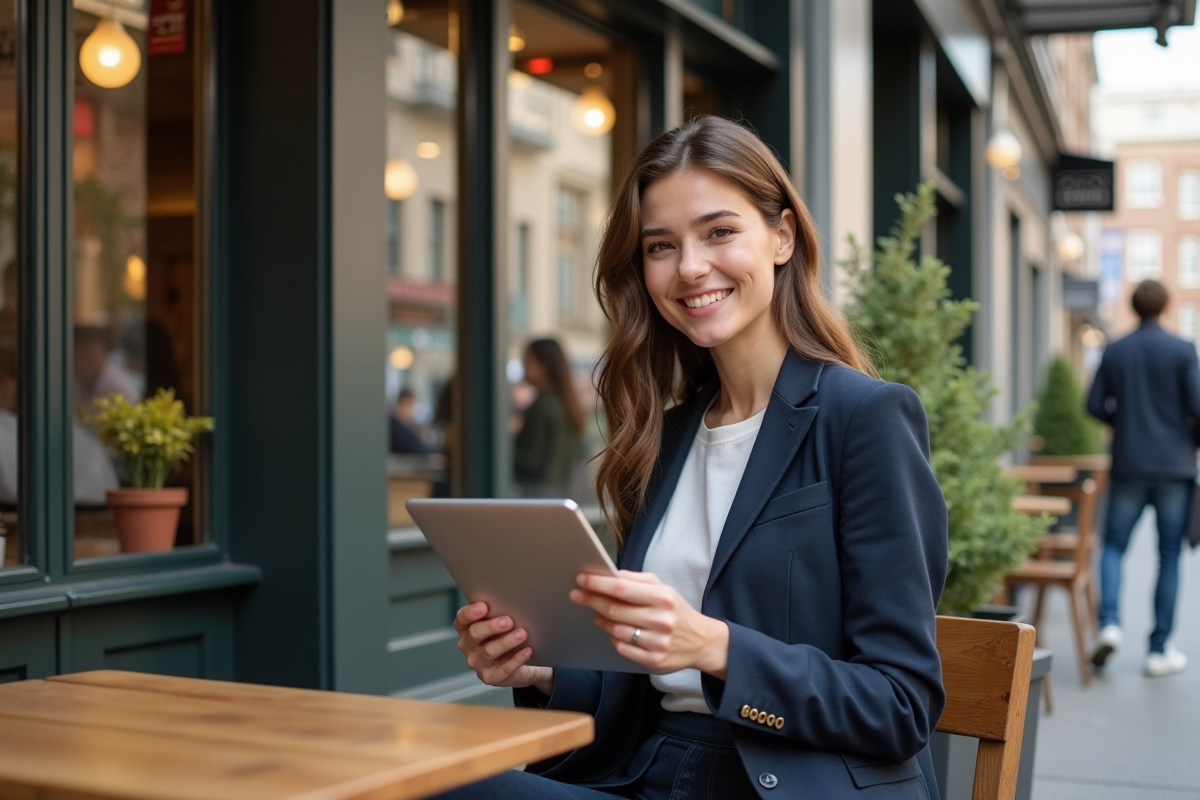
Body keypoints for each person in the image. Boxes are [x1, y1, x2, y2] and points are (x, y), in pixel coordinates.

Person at [440, 116, 948, 799]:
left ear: (782, 237)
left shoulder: (863, 418)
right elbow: (646, 683)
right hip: (654, 769)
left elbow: (900, 705)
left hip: (782, 782)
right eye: (660, 245)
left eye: (719, 232)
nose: (690, 268)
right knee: (423, 783)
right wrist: (541, 671)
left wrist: (717, 648)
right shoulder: (669, 434)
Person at [1086, 279, 1200, 677]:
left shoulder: (1115, 349)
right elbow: (1198, 406)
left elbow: (1094, 403)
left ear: (1134, 307)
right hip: (1175, 467)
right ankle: (1158, 650)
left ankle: (1110, 625)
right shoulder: (1183, 349)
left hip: (1129, 463)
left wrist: (1127, 422)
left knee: (1114, 546)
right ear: (1166, 306)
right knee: (1169, 555)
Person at [513, 338, 585, 498]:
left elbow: (532, 461)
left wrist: (502, 447)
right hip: (562, 493)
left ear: (545, 366)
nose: (524, 364)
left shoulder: (542, 406)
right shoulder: (567, 403)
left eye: (528, 359)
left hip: (537, 494)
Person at [390, 388, 432, 455]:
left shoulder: (407, 426)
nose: (411, 410)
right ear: (399, 405)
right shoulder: (395, 426)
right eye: (409, 405)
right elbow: (417, 448)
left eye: (412, 406)